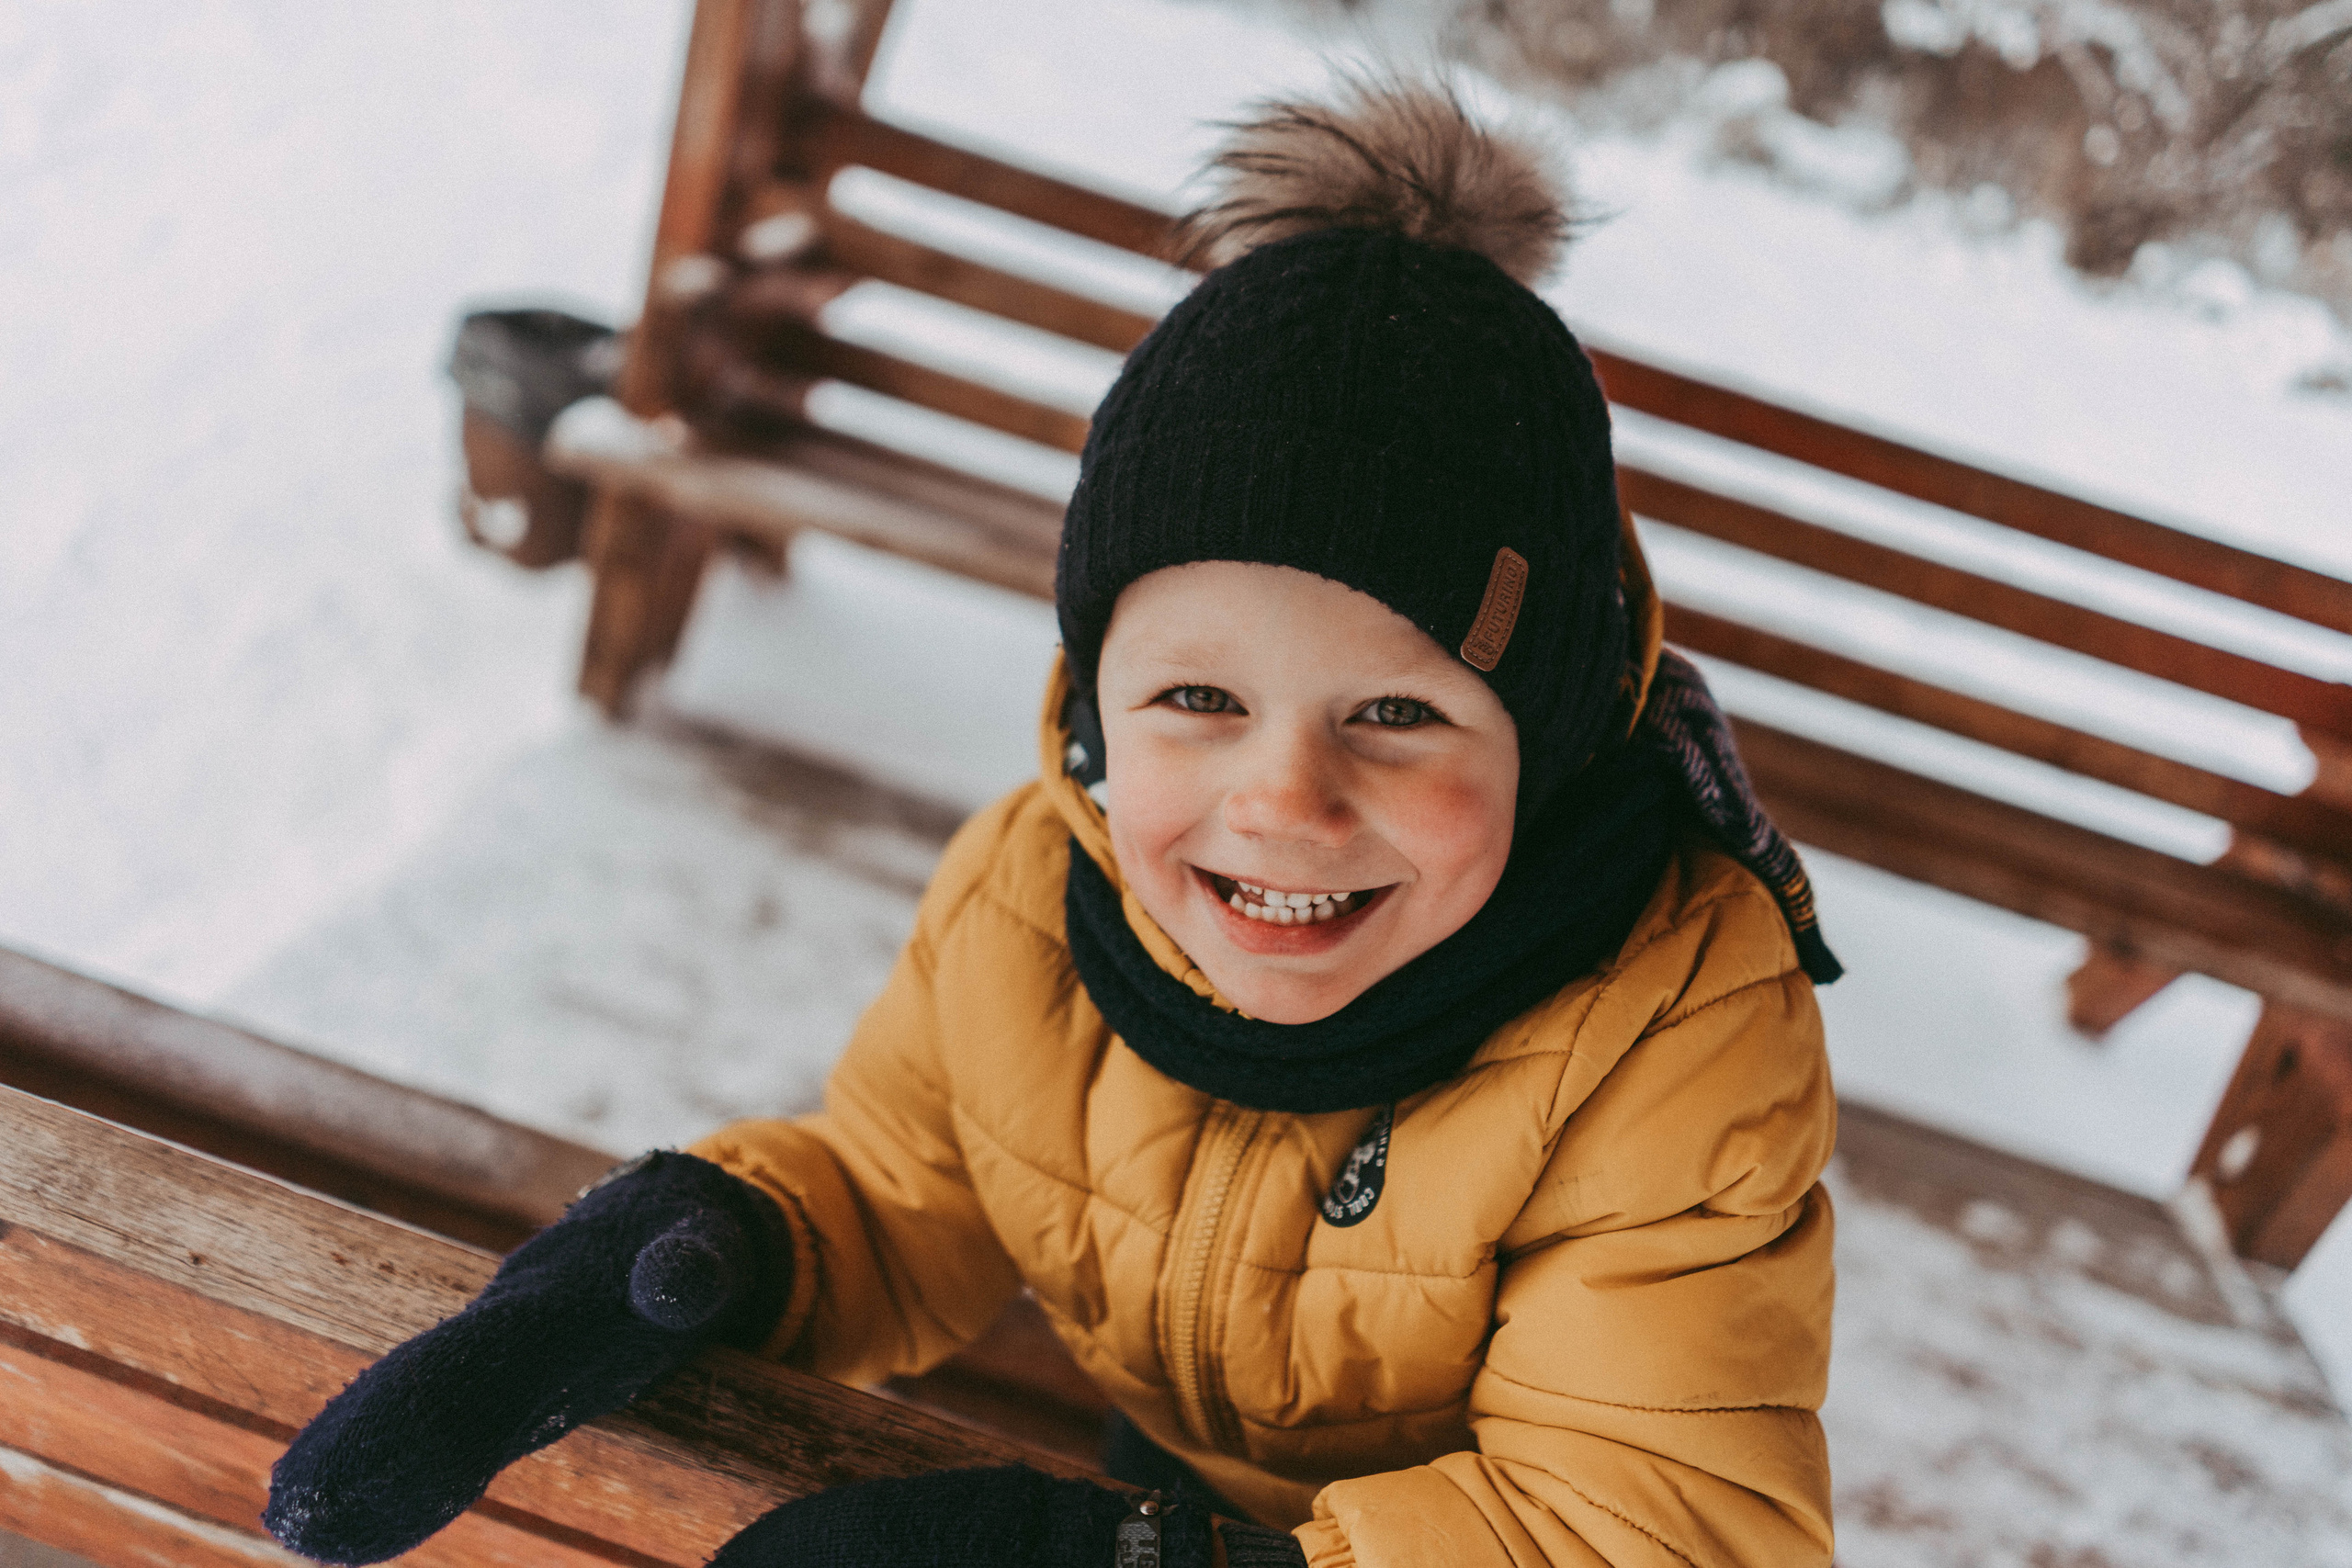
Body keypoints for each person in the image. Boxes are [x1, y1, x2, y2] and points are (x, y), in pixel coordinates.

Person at [264, 78, 1841, 1568]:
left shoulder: (1671, 1036)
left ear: (1549, 740)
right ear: (1096, 707)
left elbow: (1643, 1521)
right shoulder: (1037, 894)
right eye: (1198, 704)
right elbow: (907, 1190)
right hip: (1184, 1479)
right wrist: (717, 1242)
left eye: (1399, 713)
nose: (1283, 801)